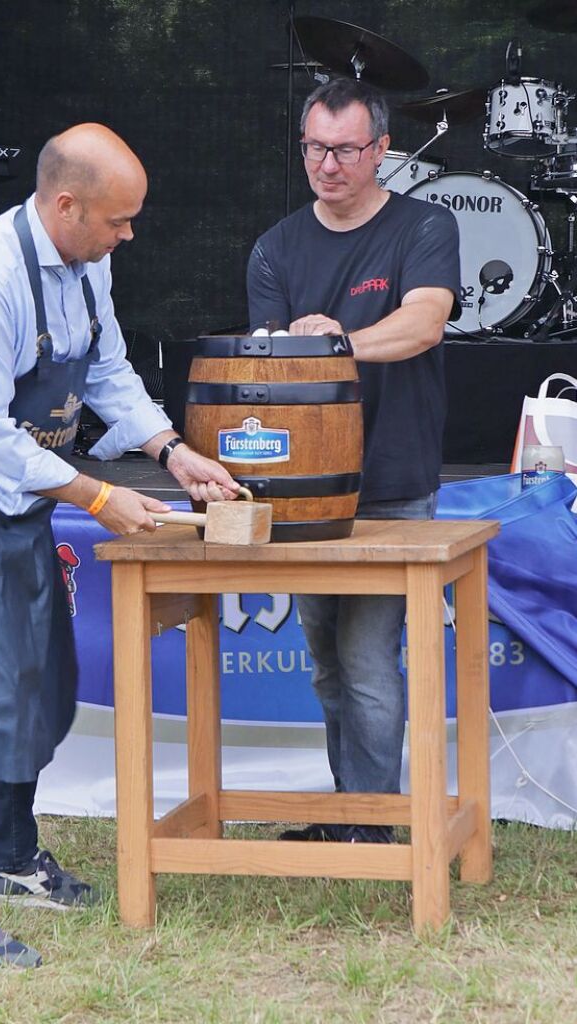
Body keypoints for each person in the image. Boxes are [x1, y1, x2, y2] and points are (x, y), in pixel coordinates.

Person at [0, 122, 239, 967]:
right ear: (66, 203)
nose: (129, 234)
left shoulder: (88, 263)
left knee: (37, 682)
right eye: (118, 220)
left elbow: (108, 370)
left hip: (20, 494)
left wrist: (170, 452)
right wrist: (100, 496)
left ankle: (10, 861)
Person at [246, 78, 460, 844]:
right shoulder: (275, 246)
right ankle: (349, 814)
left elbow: (423, 323)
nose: (326, 164)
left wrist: (334, 343)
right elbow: (269, 372)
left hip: (394, 483)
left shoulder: (424, 227)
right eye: (314, 147)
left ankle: (374, 827)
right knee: (326, 665)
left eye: (342, 149)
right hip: (305, 497)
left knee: (368, 661)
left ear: (379, 151)